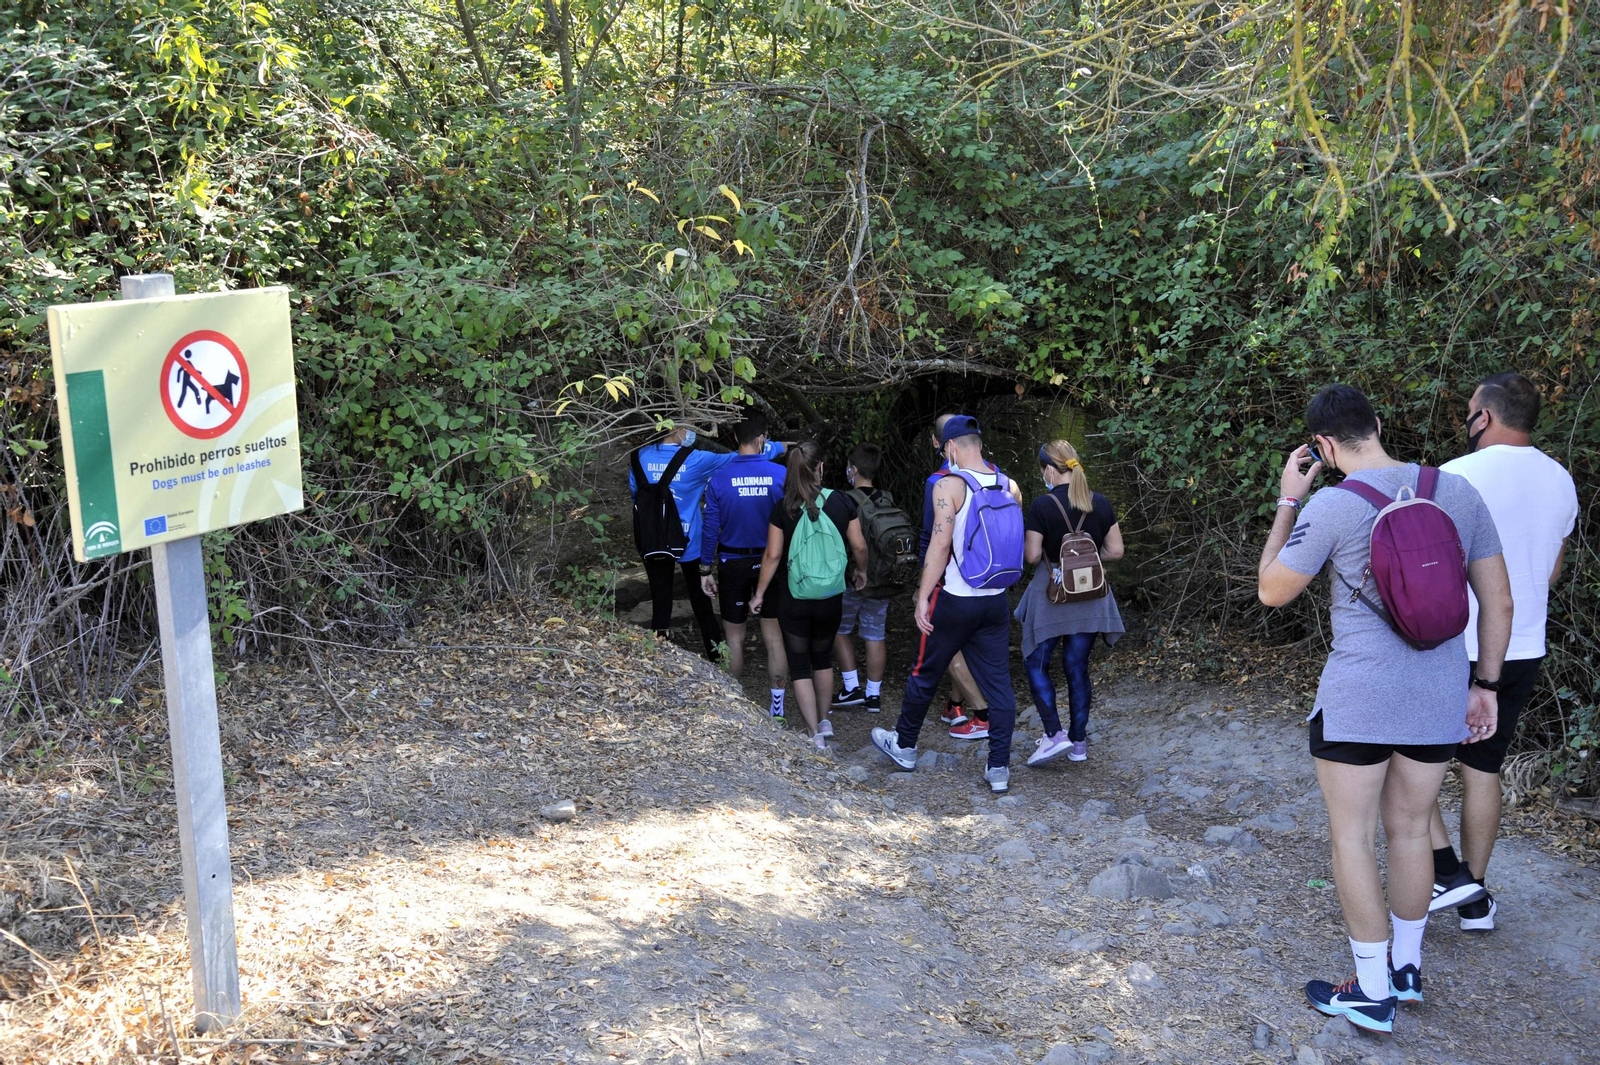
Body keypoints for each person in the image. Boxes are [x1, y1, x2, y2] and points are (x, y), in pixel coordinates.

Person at [1257, 384, 1512, 1034]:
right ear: (1376, 422)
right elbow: (1499, 602)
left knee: (1353, 835)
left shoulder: (1334, 504)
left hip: (1358, 702)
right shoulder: (1455, 492)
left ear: (1322, 446)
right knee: (1410, 830)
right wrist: (1483, 685)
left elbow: (1271, 591)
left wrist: (1290, 499)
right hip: (1437, 700)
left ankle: (1371, 990)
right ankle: (1407, 968)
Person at [1427, 373, 1578, 931]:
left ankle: (1449, 873)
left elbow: (1430, 568)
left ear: (1483, 416)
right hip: (1522, 644)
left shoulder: (1454, 476)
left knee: (1411, 763)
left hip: (1451, 643)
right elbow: (1552, 572)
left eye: (1470, 411)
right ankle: (1475, 897)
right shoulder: (1561, 481)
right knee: (1482, 766)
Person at [873, 416, 1025, 793]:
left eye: (944, 448)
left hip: (955, 598)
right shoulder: (1010, 485)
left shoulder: (948, 486)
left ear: (952, 447)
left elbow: (939, 545)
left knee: (925, 670)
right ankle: (999, 767)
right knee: (1000, 684)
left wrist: (922, 596)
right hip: (995, 601)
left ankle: (905, 745)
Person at [629, 423, 784, 659]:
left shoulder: (639, 456)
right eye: (686, 427)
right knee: (701, 603)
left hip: (653, 540)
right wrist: (777, 447)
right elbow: (739, 456)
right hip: (689, 540)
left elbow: (635, 494)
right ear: (674, 429)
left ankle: (657, 656)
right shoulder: (696, 459)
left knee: (661, 599)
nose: (692, 433)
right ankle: (716, 655)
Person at [750, 441, 868, 750]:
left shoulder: (783, 508)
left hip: (795, 597)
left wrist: (759, 593)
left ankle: (814, 731)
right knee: (823, 658)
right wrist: (861, 571)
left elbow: (773, 556)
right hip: (831, 595)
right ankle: (825, 717)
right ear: (821, 468)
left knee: (800, 664)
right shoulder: (842, 502)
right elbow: (858, 547)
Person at [1015, 439, 1126, 766]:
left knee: (1036, 664)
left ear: (1049, 469)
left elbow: (1032, 556)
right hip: (1090, 596)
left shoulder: (1042, 505)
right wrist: (1087, 561)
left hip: (1051, 594)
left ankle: (1054, 735)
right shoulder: (1101, 503)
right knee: (1077, 668)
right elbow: (1116, 550)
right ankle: (1078, 744)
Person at [700, 411, 792, 719]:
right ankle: (777, 707)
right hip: (772, 562)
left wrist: (704, 568)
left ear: (735, 438)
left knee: (734, 637)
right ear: (763, 438)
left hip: (732, 563)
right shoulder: (780, 475)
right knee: (773, 636)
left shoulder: (720, 478)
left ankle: (731, 705)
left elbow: (710, 528)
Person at [919, 413, 992, 735]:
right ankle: (955, 705)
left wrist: (923, 586)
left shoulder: (939, 482)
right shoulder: (997, 477)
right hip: (989, 576)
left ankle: (981, 712)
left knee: (942, 641)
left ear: (940, 444)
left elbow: (932, 536)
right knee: (968, 643)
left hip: (951, 578)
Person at [832, 443, 898, 713]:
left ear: (854, 469)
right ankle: (873, 695)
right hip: (882, 579)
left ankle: (851, 687)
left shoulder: (844, 499)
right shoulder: (888, 498)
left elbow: (850, 543)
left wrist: (858, 569)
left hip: (851, 578)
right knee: (875, 634)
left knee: (839, 630)